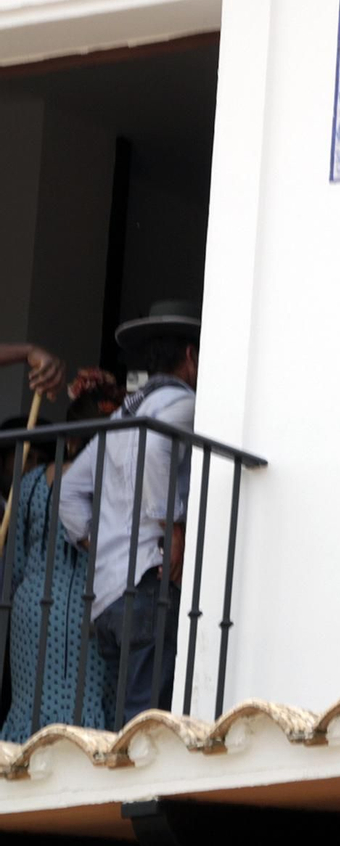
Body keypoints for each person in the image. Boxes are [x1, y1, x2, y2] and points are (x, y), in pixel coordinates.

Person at [59, 300, 200, 726]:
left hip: (107, 596)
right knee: (146, 724)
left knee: (128, 721)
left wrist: (97, 542)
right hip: (146, 583)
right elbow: (156, 448)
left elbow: (67, 491)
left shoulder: (121, 416)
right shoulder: (185, 404)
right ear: (191, 357)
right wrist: (171, 527)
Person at [1, 374, 125, 742]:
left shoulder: (34, 481)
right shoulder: (118, 486)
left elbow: (16, 565)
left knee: (31, 713)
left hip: (35, 612)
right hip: (95, 608)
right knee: (88, 720)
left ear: (70, 439)